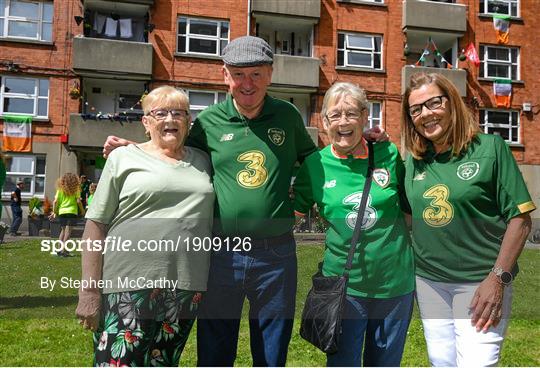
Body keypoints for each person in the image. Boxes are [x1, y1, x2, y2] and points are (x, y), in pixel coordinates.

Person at [103, 36, 387, 366]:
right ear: (225, 75)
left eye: (255, 74)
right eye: (238, 74)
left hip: (276, 255)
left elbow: (318, 161)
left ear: (270, 73)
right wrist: (136, 148)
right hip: (221, 252)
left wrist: (355, 140)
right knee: (214, 347)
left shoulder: (287, 116)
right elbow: (175, 153)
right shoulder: (209, 121)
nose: (247, 83)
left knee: (271, 349)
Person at [401, 72, 535, 367]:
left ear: (451, 103)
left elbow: (520, 220)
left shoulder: (490, 148)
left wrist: (497, 279)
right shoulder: (413, 161)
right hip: (429, 283)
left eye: (434, 103)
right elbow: (407, 213)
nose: (426, 114)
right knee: (441, 362)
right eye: (416, 109)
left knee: (478, 362)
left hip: (480, 282)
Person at [76, 86, 215, 367]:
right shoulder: (123, 158)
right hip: (127, 283)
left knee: (162, 362)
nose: (170, 119)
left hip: (186, 285)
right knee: (118, 362)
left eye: (178, 113)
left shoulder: (203, 161)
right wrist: (89, 291)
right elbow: (96, 225)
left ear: (189, 121)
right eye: (160, 113)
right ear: (146, 122)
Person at [294, 82, 414, 366]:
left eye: (350, 114)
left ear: (364, 117)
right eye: (335, 115)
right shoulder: (314, 165)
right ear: (324, 122)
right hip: (345, 288)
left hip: (395, 285)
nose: (343, 122)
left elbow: (410, 210)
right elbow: (291, 216)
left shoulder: (389, 153)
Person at [49, 173, 85, 257]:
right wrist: (82, 211)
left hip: (62, 212)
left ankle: (58, 249)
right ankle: (64, 251)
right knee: (68, 232)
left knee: (63, 231)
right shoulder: (76, 189)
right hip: (72, 212)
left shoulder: (60, 189)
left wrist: (54, 212)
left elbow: (55, 201)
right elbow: (78, 201)